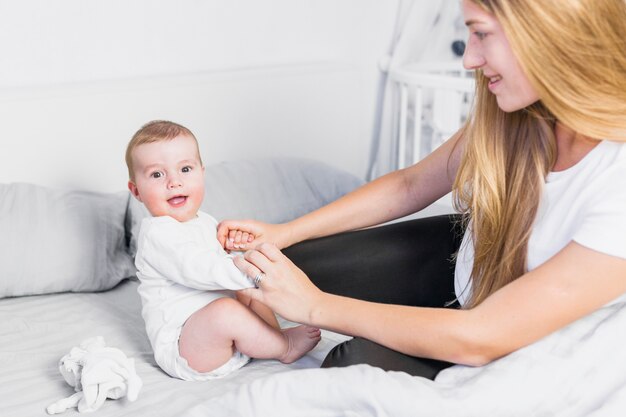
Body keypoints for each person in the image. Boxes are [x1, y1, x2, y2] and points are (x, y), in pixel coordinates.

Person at [217, 0, 626, 379]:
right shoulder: (520, 116)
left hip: (502, 337)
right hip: (467, 268)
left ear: (548, 31)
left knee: (351, 366)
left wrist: (314, 307)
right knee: (266, 265)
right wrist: (284, 232)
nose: (469, 59)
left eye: (481, 33)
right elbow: (411, 184)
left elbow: (482, 335)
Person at [125, 120, 321, 381]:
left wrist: (237, 247)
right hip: (186, 347)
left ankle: (270, 338)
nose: (174, 182)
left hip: (220, 338)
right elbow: (199, 268)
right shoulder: (156, 234)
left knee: (244, 293)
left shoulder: (204, 220)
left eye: (185, 169)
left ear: (201, 173)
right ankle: (284, 347)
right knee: (226, 310)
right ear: (136, 191)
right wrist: (253, 271)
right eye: (157, 175)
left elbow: (222, 261)